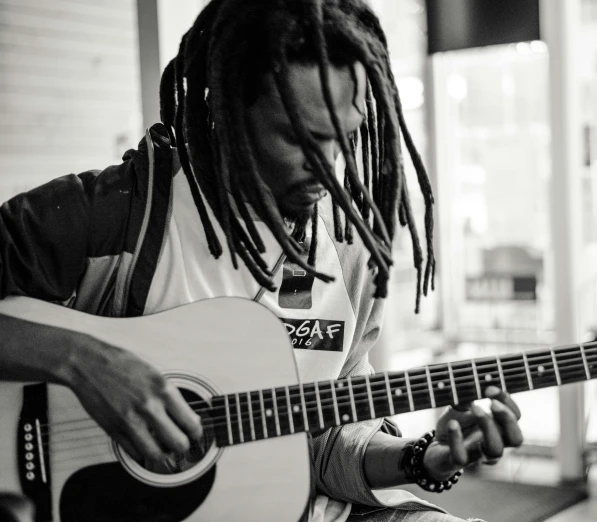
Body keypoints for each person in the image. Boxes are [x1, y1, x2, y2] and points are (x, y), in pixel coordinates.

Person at [0, 1, 524, 521]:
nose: (331, 164)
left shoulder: (346, 251)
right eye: (301, 137)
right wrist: (81, 360)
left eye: (346, 135)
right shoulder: (113, 217)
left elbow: (320, 444)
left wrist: (422, 458)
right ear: (228, 112)